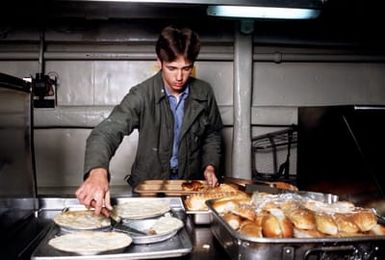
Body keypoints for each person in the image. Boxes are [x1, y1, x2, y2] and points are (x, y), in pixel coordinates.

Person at [75, 25, 223, 216]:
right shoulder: (141, 94)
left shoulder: (204, 92)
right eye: (172, 68)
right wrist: (97, 172)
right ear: (159, 62)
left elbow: (213, 133)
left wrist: (210, 166)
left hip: (189, 188)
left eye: (186, 68)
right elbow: (106, 132)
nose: (179, 77)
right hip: (148, 191)